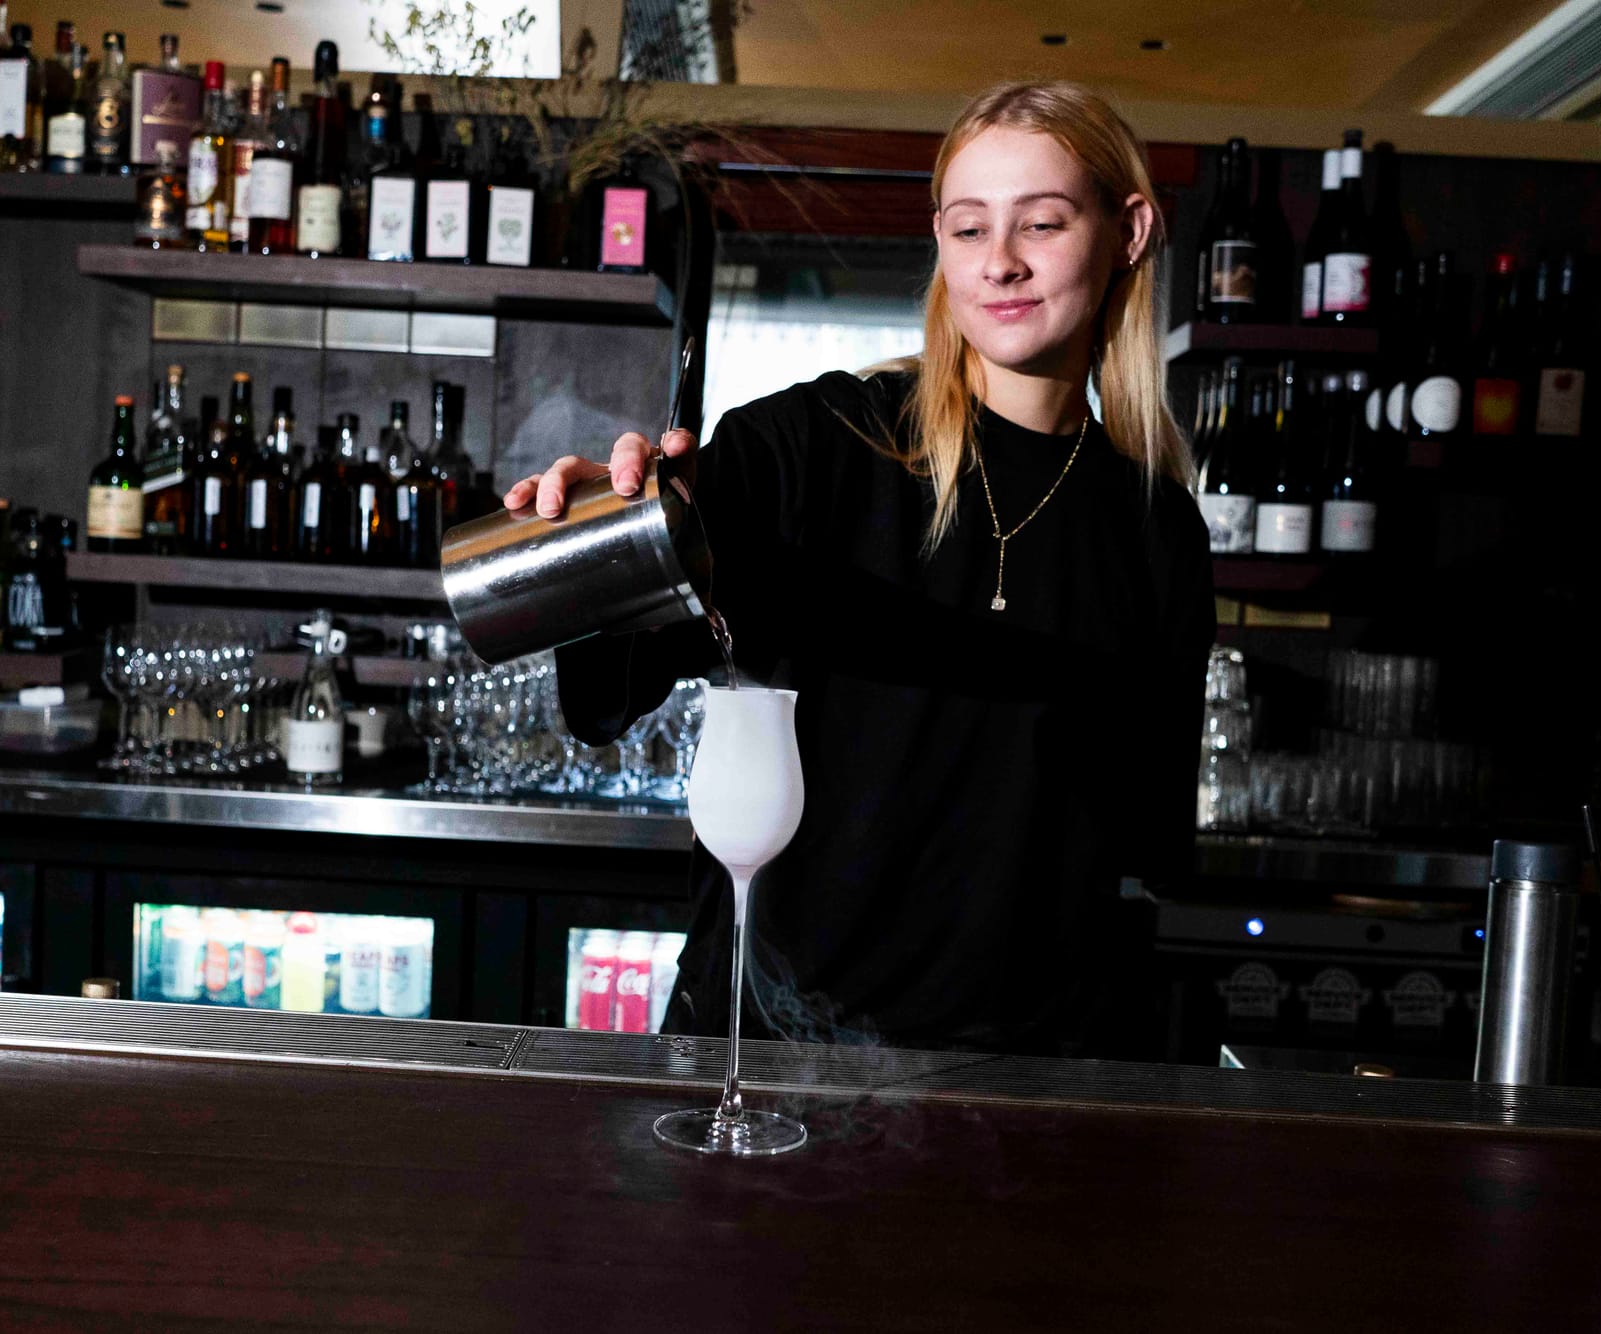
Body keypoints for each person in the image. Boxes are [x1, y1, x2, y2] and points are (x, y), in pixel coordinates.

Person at [506, 80, 1215, 1058]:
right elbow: (606, 690)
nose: (999, 262)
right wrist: (606, 533)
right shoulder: (812, 445)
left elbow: (1142, 846)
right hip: (771, 1051)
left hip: (1027, 1076)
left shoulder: (1154, 527)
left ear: (1128, 230)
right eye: (967, 230)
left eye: (1041, 223)